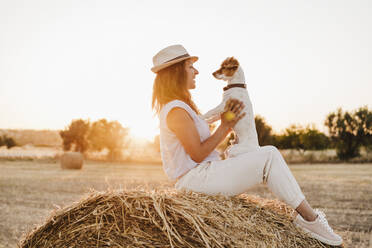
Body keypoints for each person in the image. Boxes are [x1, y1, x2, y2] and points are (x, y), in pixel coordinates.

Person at [151, 44, 342, 246]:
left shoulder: (181, 107)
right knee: (269, 155)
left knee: (261, 153)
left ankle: (307, 218)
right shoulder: (175, 110)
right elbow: (197, 153)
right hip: (195, 180)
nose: (196, 71)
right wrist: (224, 127)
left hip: (202, 176)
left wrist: (230, 120)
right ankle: (310, 220)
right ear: (176, 72)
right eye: (190, 67)